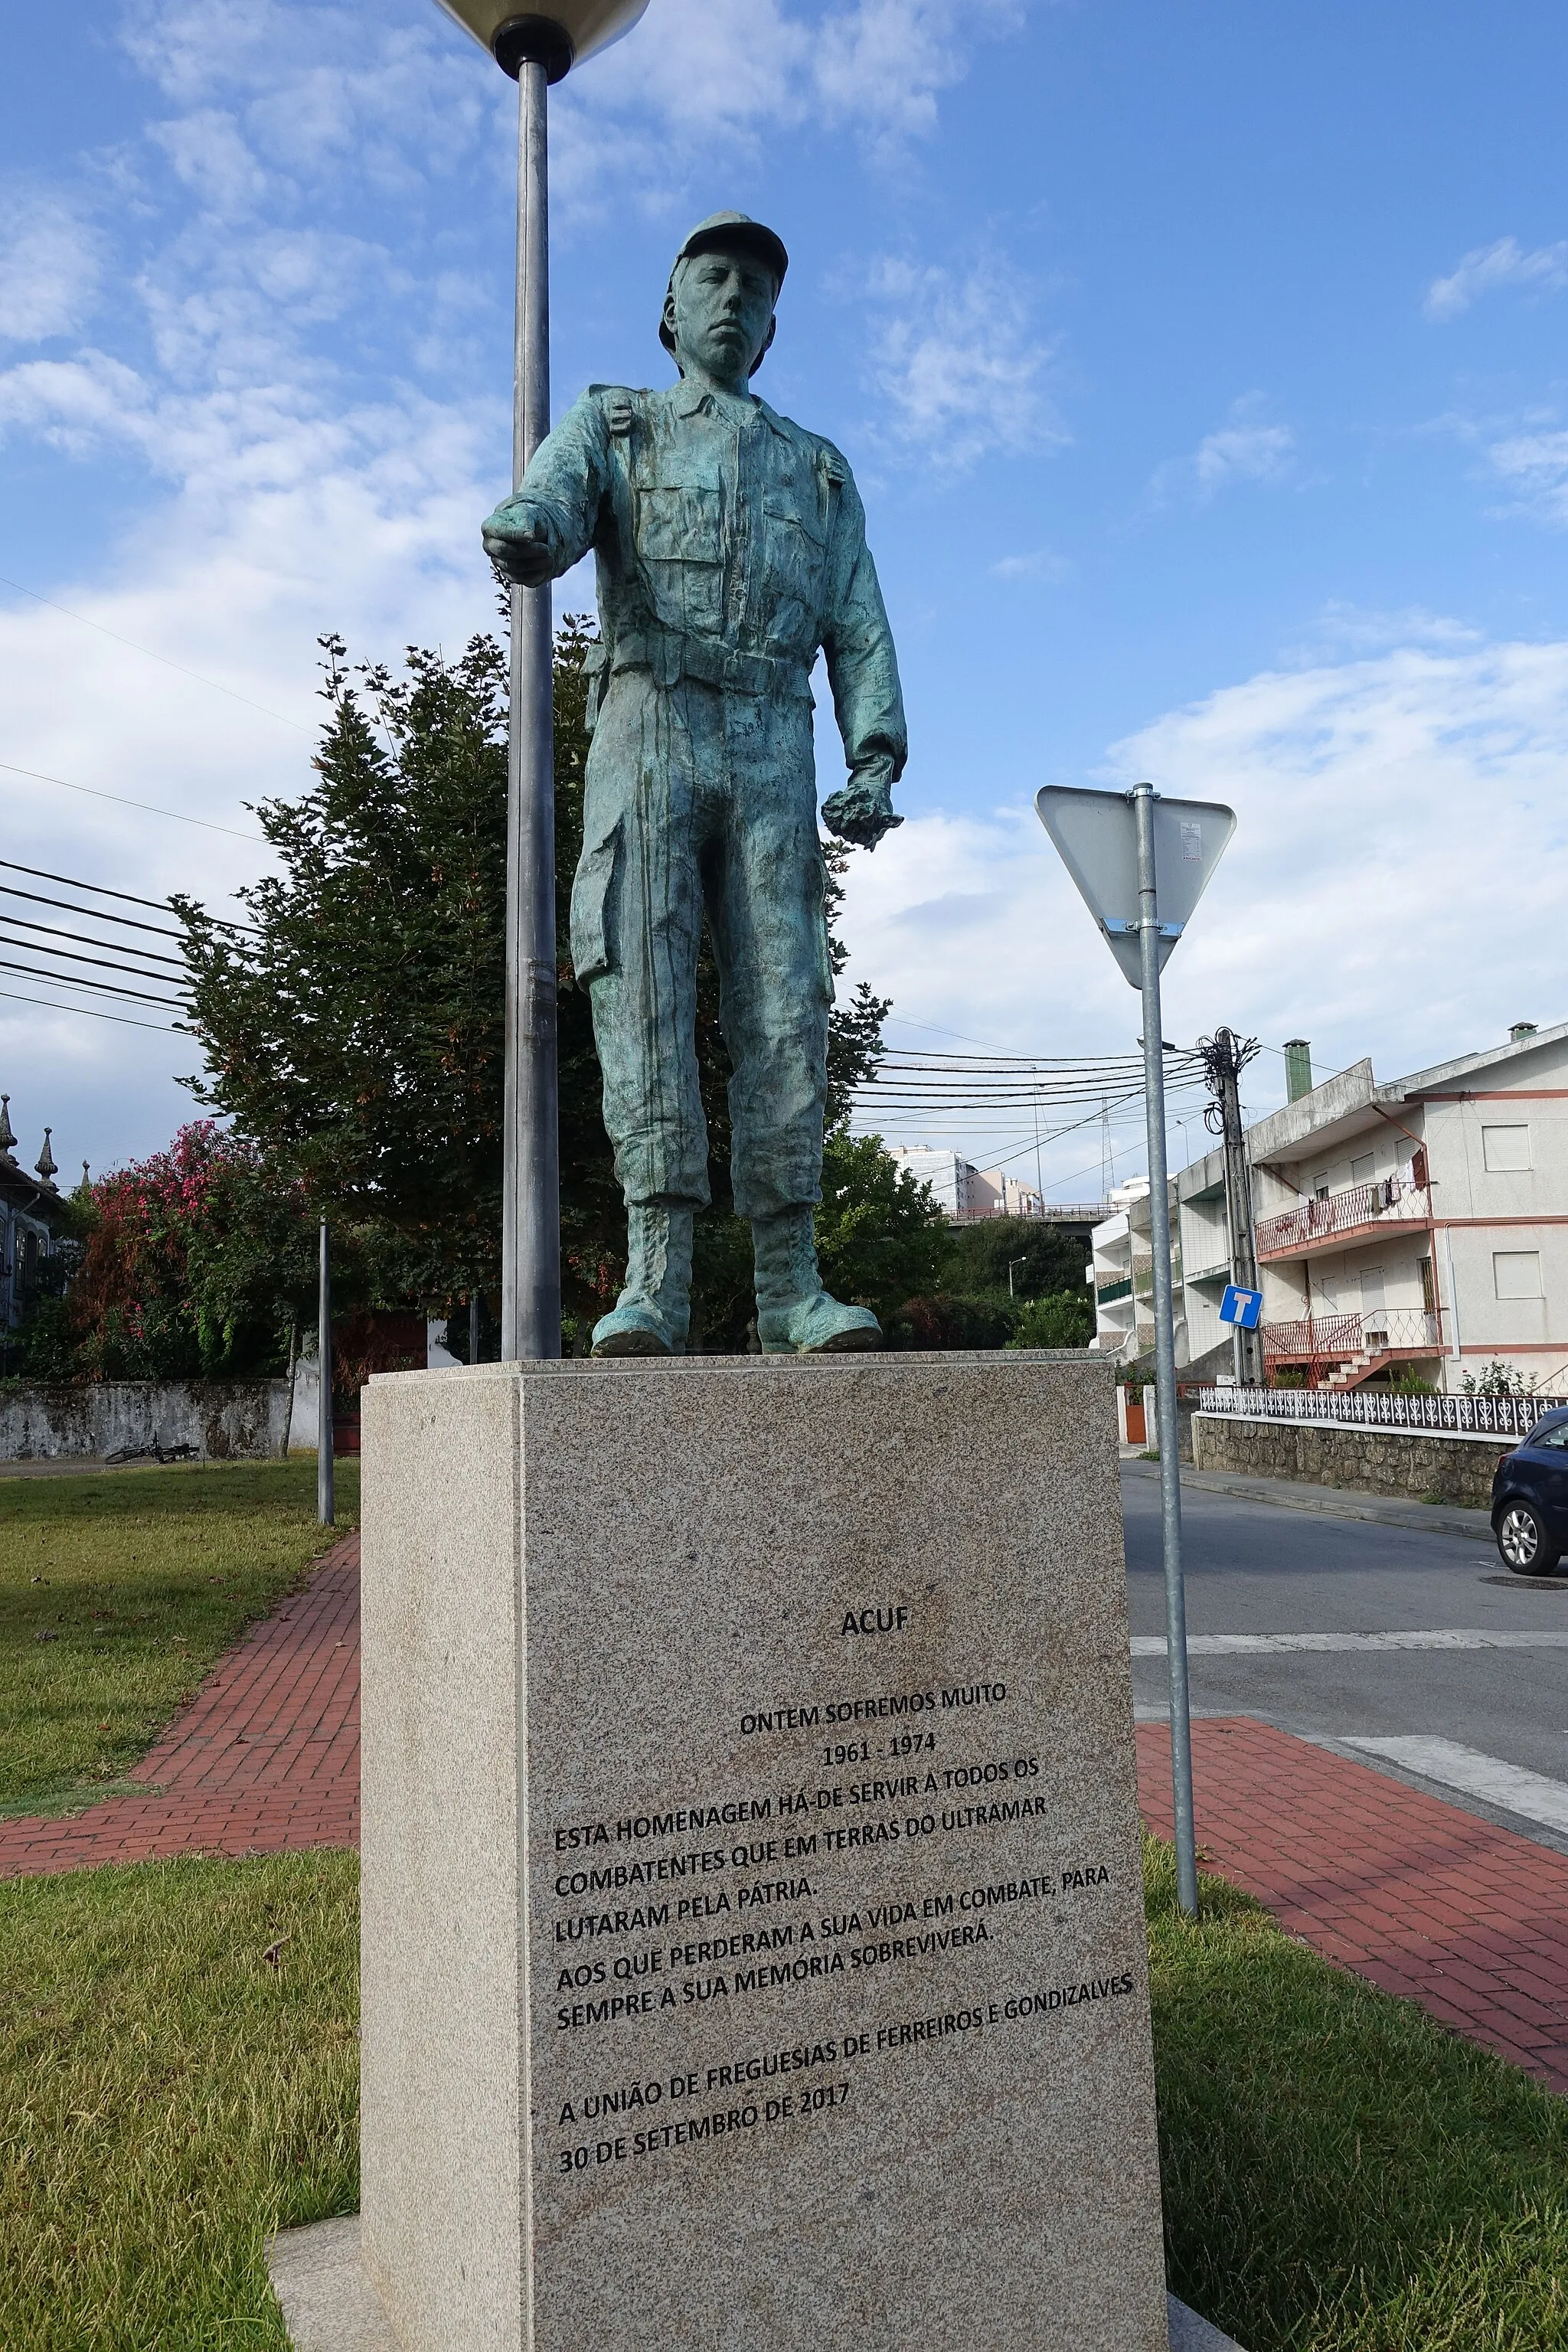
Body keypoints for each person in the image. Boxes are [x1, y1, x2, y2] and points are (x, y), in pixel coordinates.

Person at [482, 213, 906, 1356]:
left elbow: (856, 620)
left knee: (786, 1000)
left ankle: (790, 1283)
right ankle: (656, 1279)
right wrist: (532, 527)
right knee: (643, 986)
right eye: (711, 279)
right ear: (671, 310)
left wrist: (876, 751)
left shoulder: (817, 469)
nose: (734, 298)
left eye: (756, 287)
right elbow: (557, 500)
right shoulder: (618, 425)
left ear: (771, 330)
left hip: (774, 734)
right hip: (650, 721)